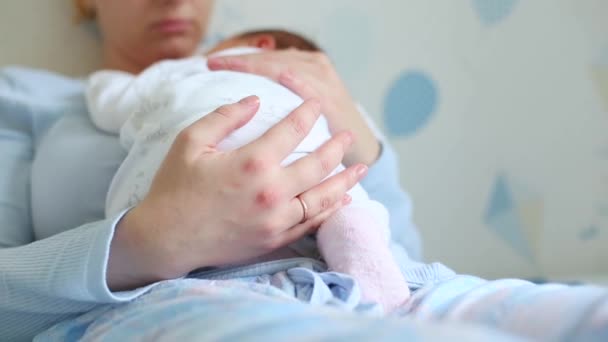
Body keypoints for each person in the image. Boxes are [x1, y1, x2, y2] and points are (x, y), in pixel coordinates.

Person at [0, 0, 605, 341]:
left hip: (390, 287)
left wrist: (363, 144)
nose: (175, 1)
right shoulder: (24, 98)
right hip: (171, 303)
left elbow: (395, 255)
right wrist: (144, 243)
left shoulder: (284, 71)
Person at [86, 28, 410, 312]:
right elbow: (358, 135)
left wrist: (98, 82)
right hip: (312, 164)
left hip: (186, 179)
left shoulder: (192, 68)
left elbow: (111, 101)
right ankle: (380, 289)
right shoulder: (325, 93)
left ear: (263, 44)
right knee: (349, 207)